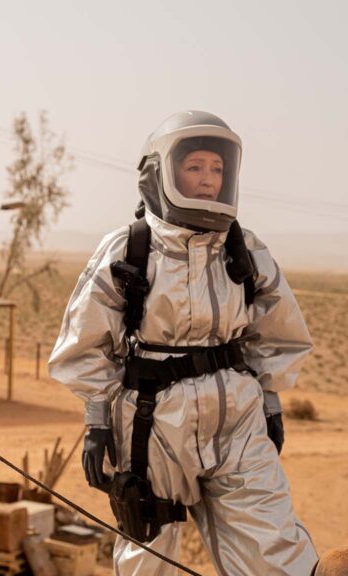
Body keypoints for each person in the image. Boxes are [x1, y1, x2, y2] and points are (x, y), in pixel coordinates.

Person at [49, 110, 317, 575]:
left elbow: (276, 335)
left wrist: (269, 403)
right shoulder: (128, 252)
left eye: (217, 169)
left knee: (274, 546)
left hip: (237, 421)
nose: (208, 180)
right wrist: (96, 422)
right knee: (148, 556)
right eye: (194, 167)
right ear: (162, 173)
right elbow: (84, 347)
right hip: (151, 425)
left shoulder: (245, 251)